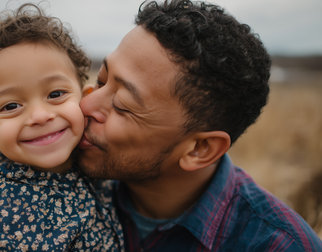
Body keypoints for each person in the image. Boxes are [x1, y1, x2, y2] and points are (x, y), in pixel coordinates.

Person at [77, 0, 322, 251]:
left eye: (122, 105)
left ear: (200, 148)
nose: (84, 106)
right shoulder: (60, 181)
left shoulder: (276, 245)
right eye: (101, 81)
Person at [0, 4, 123, 251]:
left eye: (55, 93)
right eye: (10, 106)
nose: (40, 116)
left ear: (83, 99)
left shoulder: (100, 164)